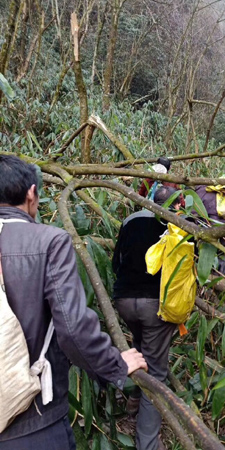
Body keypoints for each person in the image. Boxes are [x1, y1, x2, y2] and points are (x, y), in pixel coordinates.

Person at [0, 155, 147, 450]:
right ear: (31, 192)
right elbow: (74, 328)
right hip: (32, 420)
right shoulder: (48, 241)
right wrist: (116, 365)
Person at [112, 185, 180, 450]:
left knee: (141, 351)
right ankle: (148, 444)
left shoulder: (131, 220)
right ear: (175, 205)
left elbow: (116, 262)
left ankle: (133, 403)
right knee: (156, 372)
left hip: (125, 302)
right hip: (156, 307)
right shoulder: (177, 225)